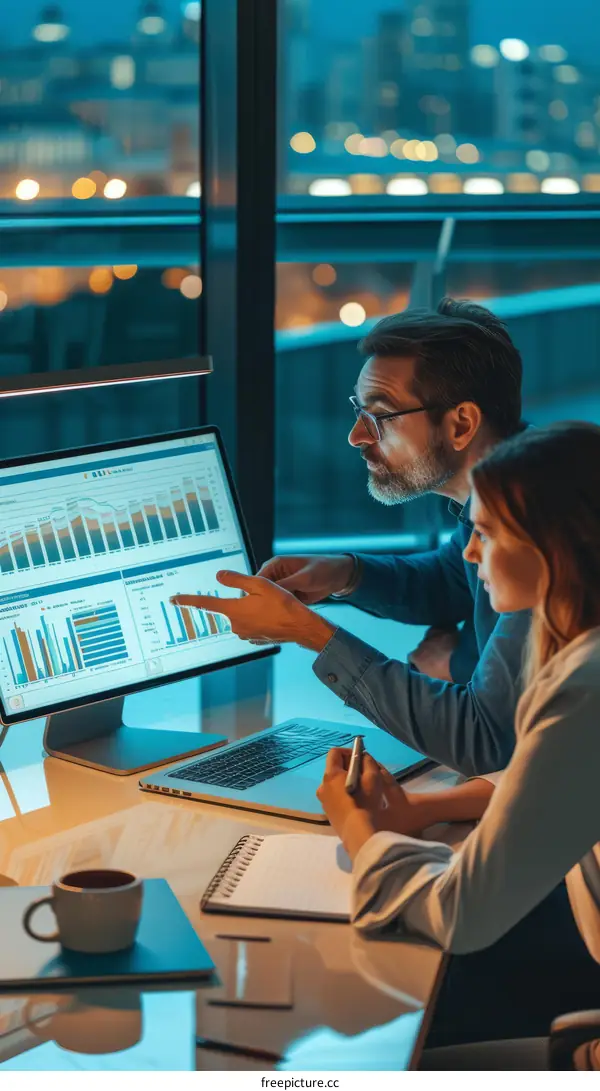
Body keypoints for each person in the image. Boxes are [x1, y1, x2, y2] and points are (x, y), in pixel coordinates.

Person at [315, 422, 600, 1051]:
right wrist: (424, 807)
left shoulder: (584, 686)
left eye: (487, 533)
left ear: (557, 546)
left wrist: (364, 834)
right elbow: (563, 783)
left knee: (363, 1042)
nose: (470, 555)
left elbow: (462, 914)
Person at [172, 299, 529, 777]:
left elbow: (485, 737)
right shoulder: (508, 486)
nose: (356, 436)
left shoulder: (538, 525)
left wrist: (310, 633)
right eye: (359, 410)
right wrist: (345, 573)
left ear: (461, 424)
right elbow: (453, 580)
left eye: (379, 415)